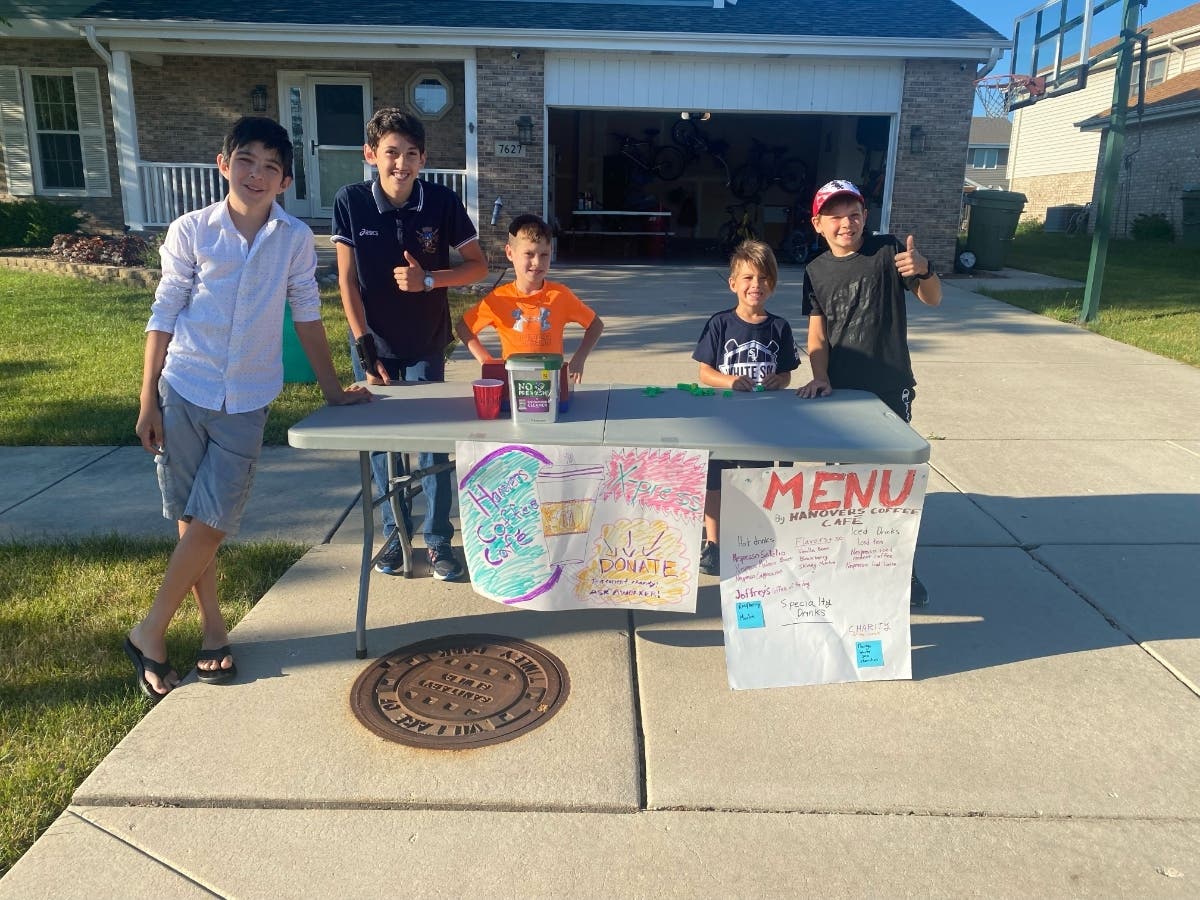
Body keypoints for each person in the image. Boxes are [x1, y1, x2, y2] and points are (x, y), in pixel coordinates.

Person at [127, 116, 372, 701]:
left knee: (213, 521)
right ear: (224, 163)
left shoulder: (291, 239)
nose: (257, 174)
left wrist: (333, 389)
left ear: (285, 181)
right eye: (247, 160)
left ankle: (149, 630)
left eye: (271, 166)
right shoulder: (191, 231)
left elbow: (308, 316)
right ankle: (213, 631)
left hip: (248, 398)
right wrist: (146, 402)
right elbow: (164, 313)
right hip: (183, 387)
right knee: (193, 519)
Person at [332, 108, 488, 581]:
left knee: (431, 445)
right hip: (373, 345)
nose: (401, 164)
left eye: (411, 155)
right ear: (371, 155)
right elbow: (347, 282)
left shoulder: (441, 200)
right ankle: (395, 536)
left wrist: (429, 279)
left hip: (424, 342)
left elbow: (478, 266)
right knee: (383, 446)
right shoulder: (351, 201)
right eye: (391, 153)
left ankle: (440, 540)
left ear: (424, 158)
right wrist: (365, 351)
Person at [795, 179, 943, 606]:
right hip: (840, 394)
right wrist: (820, 375)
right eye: (836, 215)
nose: (847, 222)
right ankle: (848, 563)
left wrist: (926, 270)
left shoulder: (887, 252)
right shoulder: (815, 271)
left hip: (888, 389)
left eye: (854, 213)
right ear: (818, 223)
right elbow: (817, 333)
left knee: (892, 487)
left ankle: (900, 570)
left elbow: (933, 299)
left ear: (865, 216)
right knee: (845, 486)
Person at [692, 239, 800, 576]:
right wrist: (729, 381)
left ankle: (748, 538)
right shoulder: (720, 324)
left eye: (764, 278)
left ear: (773, 284)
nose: (756, 285)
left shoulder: (779, 327)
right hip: (723, 420)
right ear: (733, 283)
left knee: (755, 480)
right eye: (749, 278)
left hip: (761, 423)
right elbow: (704, 372)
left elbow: (785, 373)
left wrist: (778, 382)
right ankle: (714, 541)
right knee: (715, 481)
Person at [456, 213, 604, 383]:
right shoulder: (498, 298)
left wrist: (579, 359)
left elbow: (595, 325)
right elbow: (464, 327)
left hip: (550, 383)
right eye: (529, 254)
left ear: (551, 252)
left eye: (544, 255)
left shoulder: (560, 295)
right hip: (514, 383)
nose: (537, 262)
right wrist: (486, 360)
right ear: (510, 253)